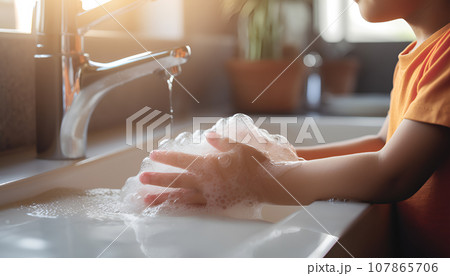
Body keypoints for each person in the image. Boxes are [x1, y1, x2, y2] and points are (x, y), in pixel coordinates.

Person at [139, 0, 450, 256]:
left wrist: (260, 181)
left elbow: (393, 174)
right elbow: (383, 144)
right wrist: (276, 158)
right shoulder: (417, 53)